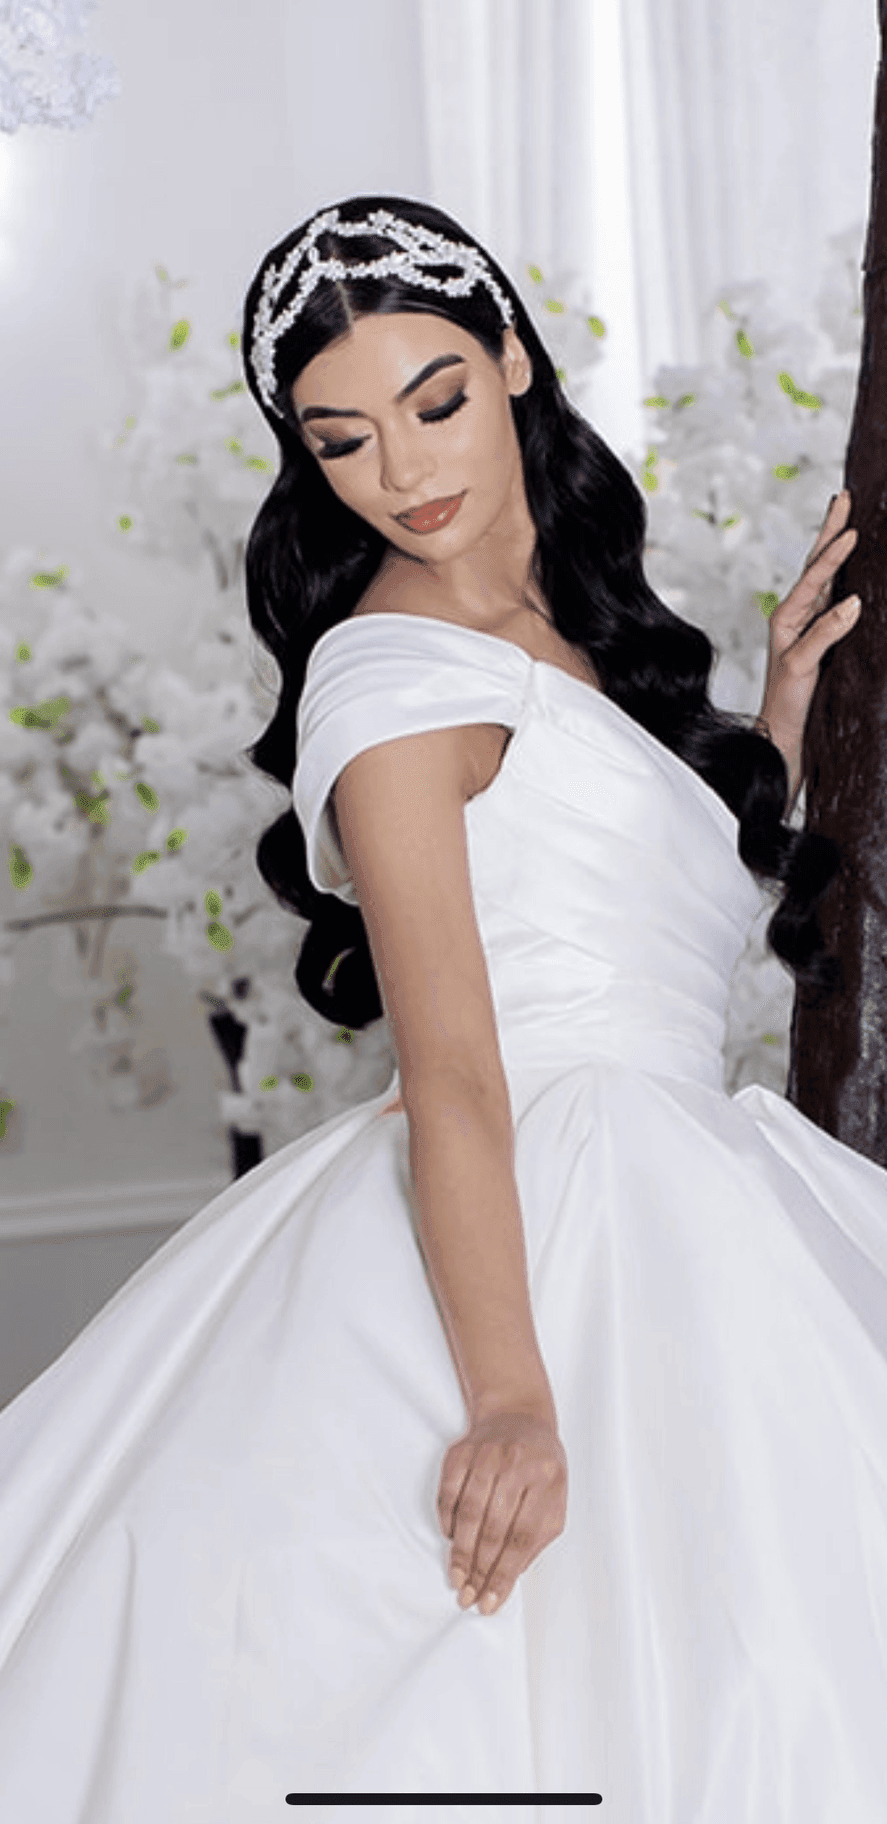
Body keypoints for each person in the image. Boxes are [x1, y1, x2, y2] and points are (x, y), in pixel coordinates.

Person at [0, 194, 886, 1824]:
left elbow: (654, 934)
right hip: (536, 1216)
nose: (402, 471)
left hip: (682, 1183)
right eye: (340, 441)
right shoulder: (384, 677)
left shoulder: (580, 643)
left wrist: (770, 718)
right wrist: (509, 1404)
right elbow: (457, 1070)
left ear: (513, 363)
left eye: (434, 400)